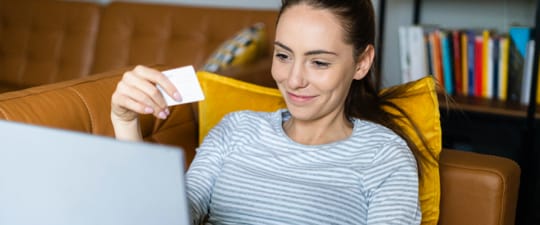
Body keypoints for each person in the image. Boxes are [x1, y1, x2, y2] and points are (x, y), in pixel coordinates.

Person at [111, 0, 427, 224]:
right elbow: (167, 217)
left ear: (361, 62)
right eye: (283, 55)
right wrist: (125, 123)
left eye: (318, 62)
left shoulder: (384, 155)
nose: (294, 79)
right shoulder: (235, 129)